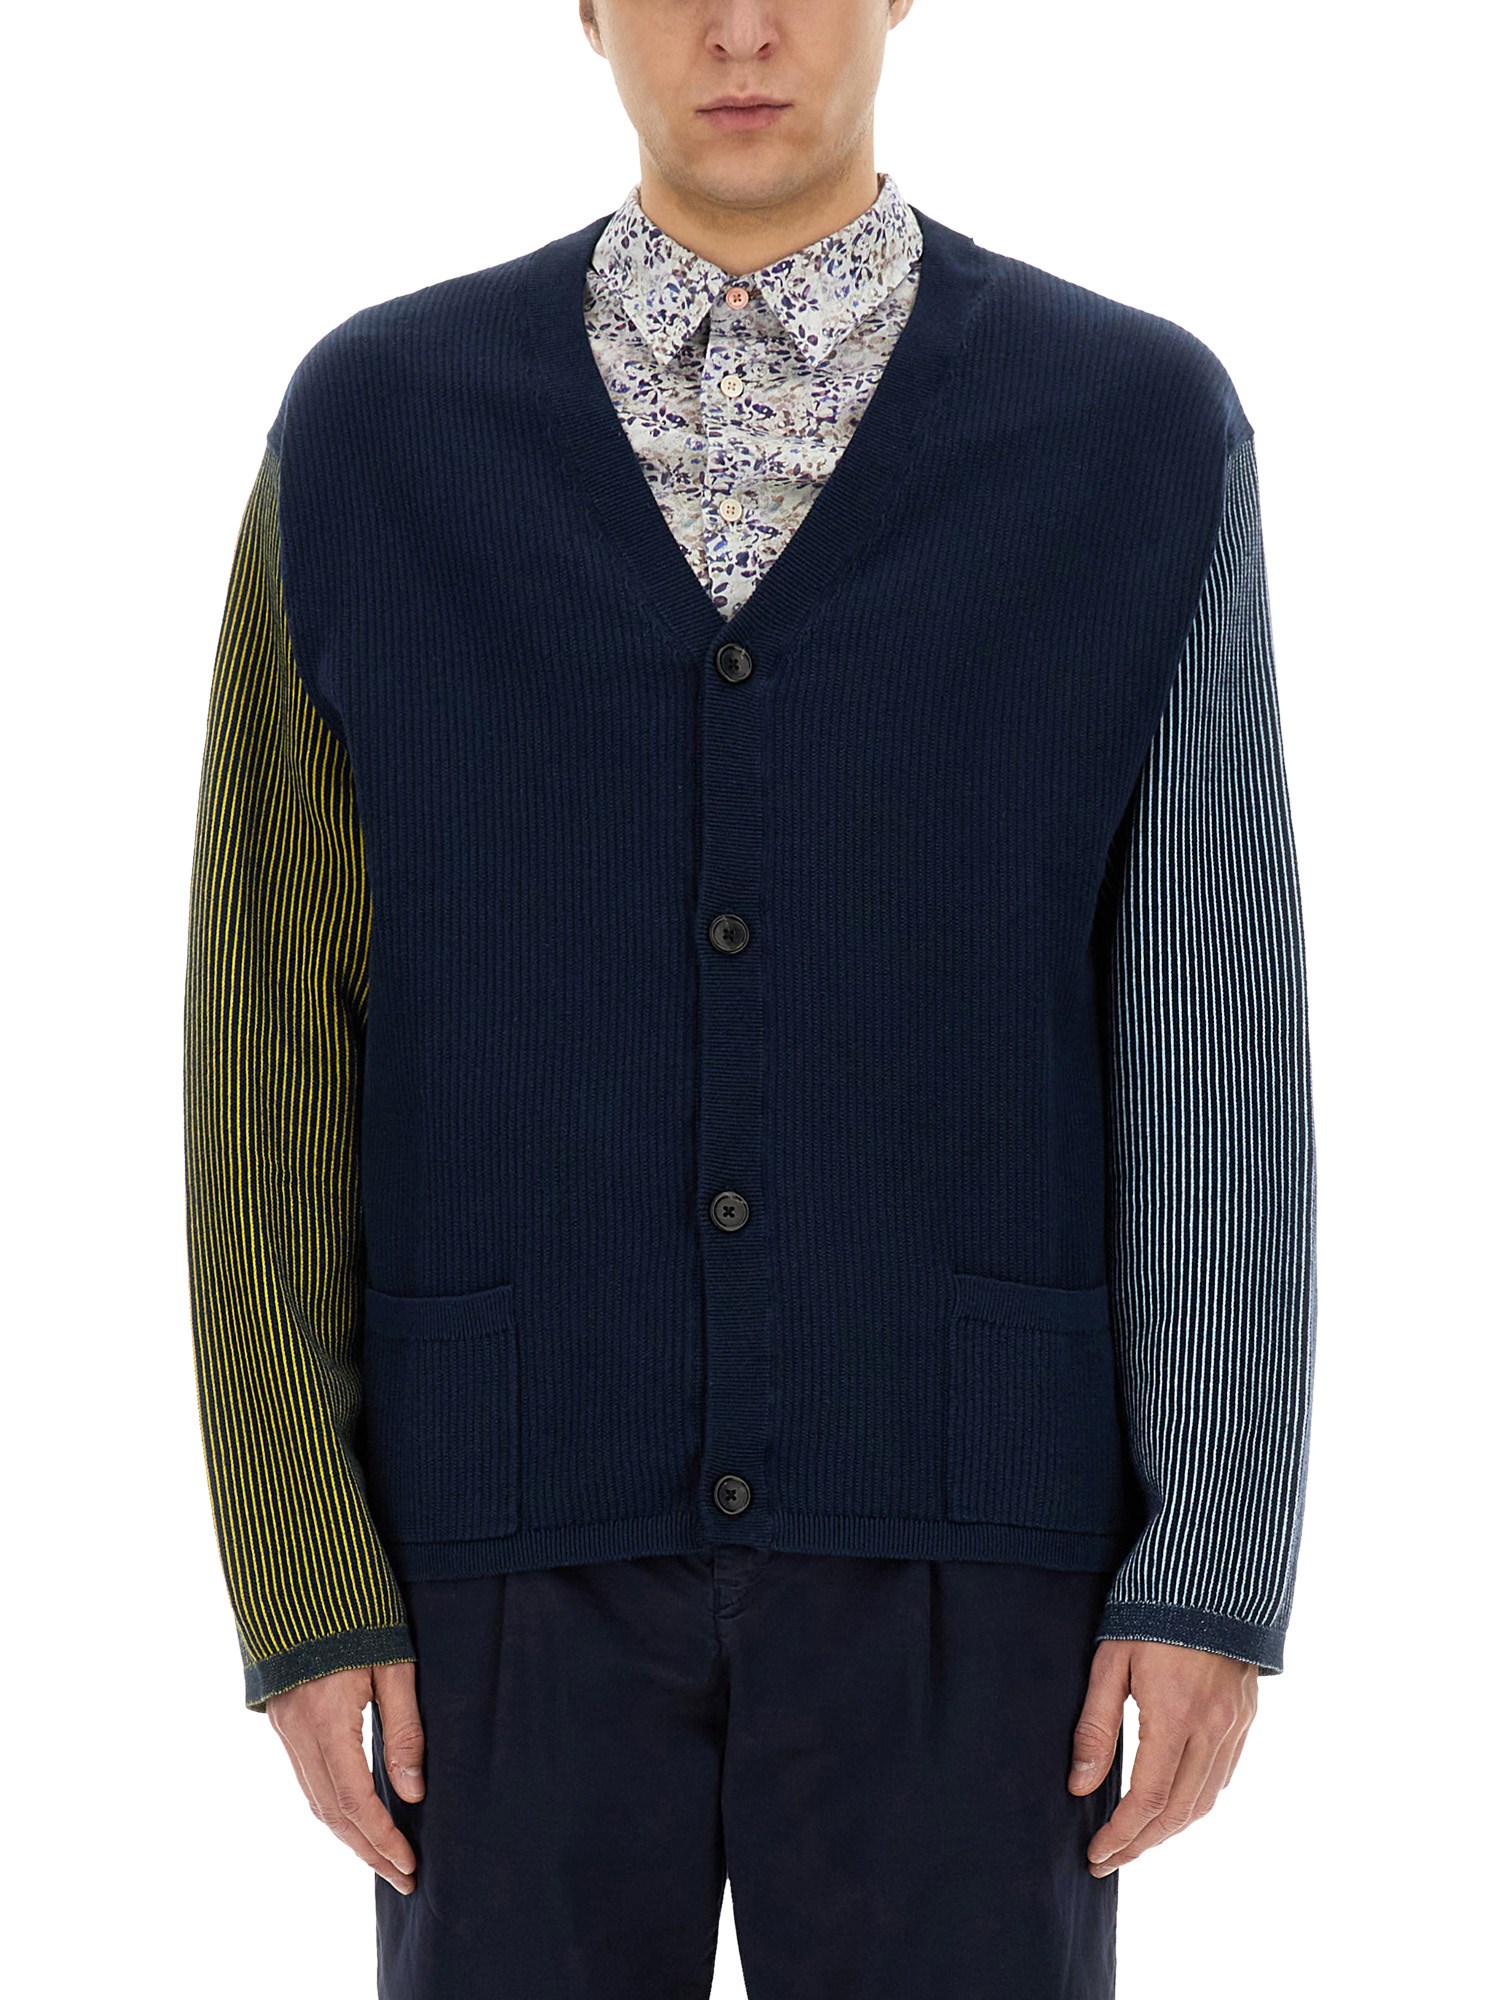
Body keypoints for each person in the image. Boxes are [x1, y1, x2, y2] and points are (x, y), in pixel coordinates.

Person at [183, 2, 1317, 1994]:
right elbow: (266, 1044)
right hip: (493, 1543)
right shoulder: (372, 427)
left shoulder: (1135, 429)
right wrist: (300, 1570)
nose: (741, 26)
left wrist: (1215, 1551)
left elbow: (1210, 1020)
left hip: (982, 1541)